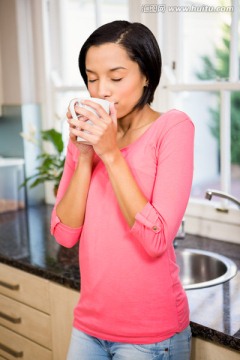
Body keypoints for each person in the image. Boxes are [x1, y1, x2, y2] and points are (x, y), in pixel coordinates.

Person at [51, 20, 194, 360]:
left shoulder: (172, 129)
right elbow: (65, 233)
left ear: (147, 75)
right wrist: (85, 155)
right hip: (88, 325)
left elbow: (156, 239)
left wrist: (111, 153)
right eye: (91, 78)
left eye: (116, 77)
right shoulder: (87, 138)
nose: (101, 91)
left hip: (149, 335)